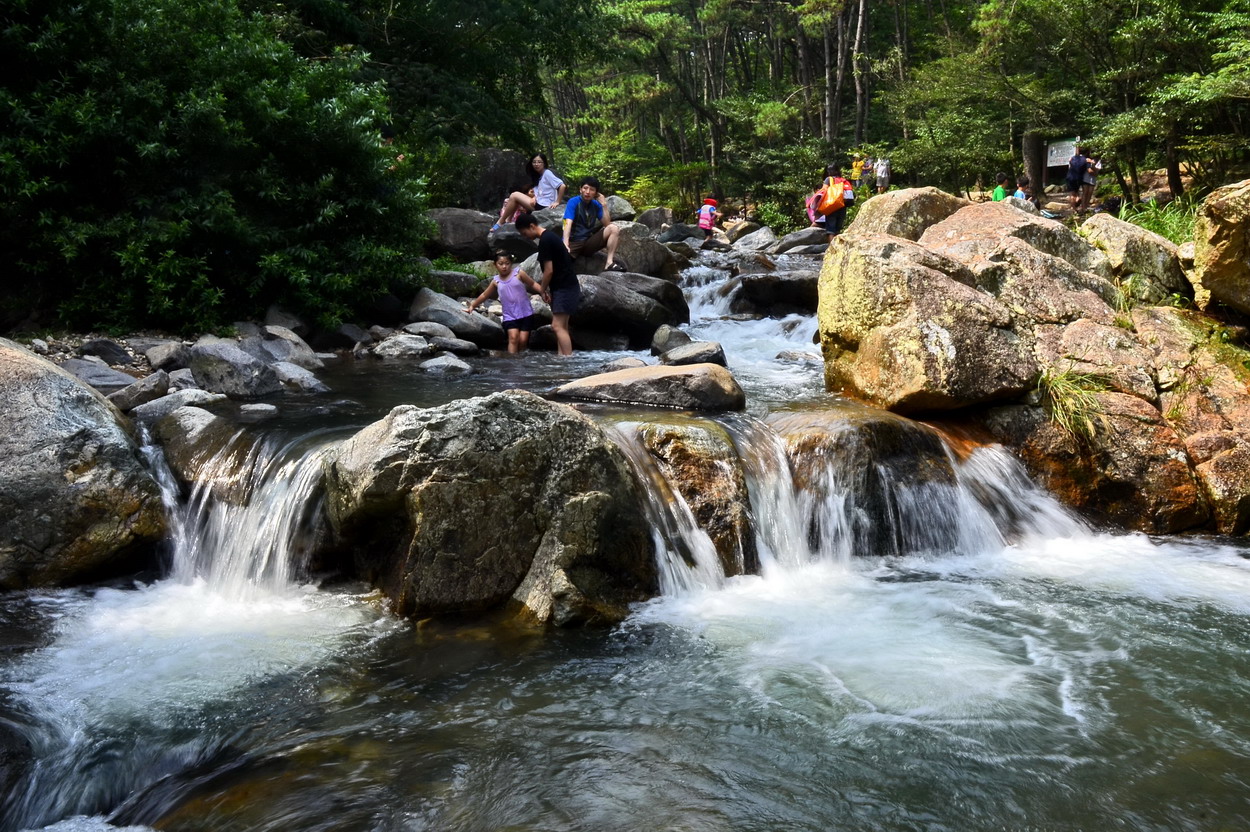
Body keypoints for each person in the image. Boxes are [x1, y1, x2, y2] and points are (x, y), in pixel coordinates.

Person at [516, 212, 579, 355]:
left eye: (524, 233)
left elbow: (549, 271)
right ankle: (561, 358)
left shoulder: (545, 240)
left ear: (532, 226)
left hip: (565, 288)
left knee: (557, 326)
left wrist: (542, 289)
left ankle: (568, 360)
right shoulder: (550, 237)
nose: (525, 236)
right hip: (566, 286)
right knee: (562, 327)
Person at [465, 251, 542, 353]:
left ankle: (522, 360)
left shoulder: (518, 273)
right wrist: (472, 306)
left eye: (507, 263)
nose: (504, 266)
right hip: (509, 315)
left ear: (511, 263)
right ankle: (512, 360)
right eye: (501, 264)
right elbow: (484, 295)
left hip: (526, 313)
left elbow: (532, 284)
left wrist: (543, 292)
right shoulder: (496, 281)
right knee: (513, 338)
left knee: (523, 341)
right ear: (495, 265)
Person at [563, 176, 624, 272]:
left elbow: (607, 224)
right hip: (573, 242)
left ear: (596, 193)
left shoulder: (595, 205)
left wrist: (604, 205)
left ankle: (609, 263)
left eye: (592, 189)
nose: (588, 192)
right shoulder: (573, 202)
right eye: (585, 188)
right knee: (561, 262)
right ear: (580, 189)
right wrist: (565, 243)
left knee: (614, 228)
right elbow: (567, 222)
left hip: (588, 242)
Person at [492, 153, 566, 231]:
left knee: (514, 195)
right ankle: (508, 221)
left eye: (539, 162)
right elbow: (543, 191)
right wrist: (535, 197)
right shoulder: (539, 176)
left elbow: (562, 186)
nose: (536, 164)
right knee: (515, 199)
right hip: (540, 203)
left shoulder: (547, 173)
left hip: (544, 205)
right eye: (534, 162)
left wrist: (557, 202)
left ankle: (501, 221)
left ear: (544, 163)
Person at [814, 164, 855, 240]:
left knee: (830, 230)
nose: (829, 172)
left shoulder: (829, 179)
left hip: (832, 206)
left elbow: (823, 191)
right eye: (828, 170)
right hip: (842, 206)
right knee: (837, 230)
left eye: (830, 170)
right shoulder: (843, 180)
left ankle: (831, 246)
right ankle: (837, 246)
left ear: (836, 171)